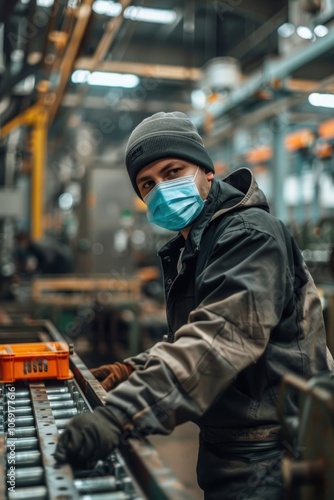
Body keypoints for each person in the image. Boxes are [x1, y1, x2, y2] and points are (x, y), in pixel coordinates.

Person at [55, 112, 334, 499]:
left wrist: (120, 416)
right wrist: (129, 370)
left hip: (277, 451)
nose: (161, 188)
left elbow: (220, 341)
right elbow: (191, 335)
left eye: (173, 172)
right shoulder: (194, 247)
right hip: (231, 445)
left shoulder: (250, 235)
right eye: (147, 184)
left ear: (206, 170)